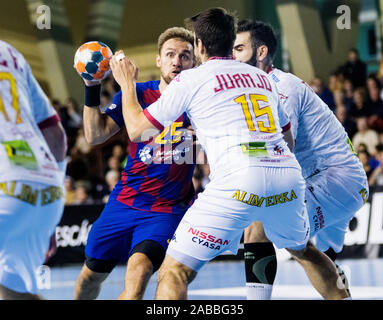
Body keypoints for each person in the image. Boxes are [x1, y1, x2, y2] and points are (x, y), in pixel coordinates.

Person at [110, 7, 350, 300]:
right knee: (304, 251)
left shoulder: (191, 79)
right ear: (230, 42)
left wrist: (126, 84)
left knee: (174, 271)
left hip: (237, 179)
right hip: (286, 175)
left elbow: (137, 131)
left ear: (199, 45)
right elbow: (287, 139)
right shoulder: (262, 78)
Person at [233, 19, 369, 300]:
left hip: (335, 178)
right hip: (329, 181)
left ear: (260, 52)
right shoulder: (257, 91)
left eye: (239, 48)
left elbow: (281, 147)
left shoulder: (281, 87)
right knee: (322, 258)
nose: (232, 57)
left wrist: (230, 149)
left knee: (261, 226)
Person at [73, 27, 196, 300]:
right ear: (158, 61)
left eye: (186, 56)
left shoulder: (200, 102)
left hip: (166, 209)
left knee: (138, 274)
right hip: (124, 202)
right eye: (171, 54)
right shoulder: (137, 93)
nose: (177, 61)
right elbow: (95, 135)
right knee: (90, 276)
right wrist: (92, 87)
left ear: (195, 63)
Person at [0, 41, 67, 299]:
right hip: (46, 185)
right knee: (16, 293)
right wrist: (50, 215)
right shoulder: (11, 53)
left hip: (5, 180)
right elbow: (56, 137)